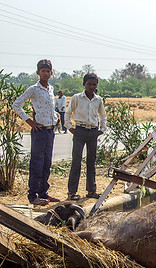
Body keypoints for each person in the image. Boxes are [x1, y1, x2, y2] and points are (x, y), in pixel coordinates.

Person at [12, 59, 61, 206]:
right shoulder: (34, 89)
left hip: (50, 131)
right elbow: (16, 105)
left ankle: (43, 193)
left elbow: (48, 108)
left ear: (51, 73)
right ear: (38, 72)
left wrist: (56, 117)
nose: (46, 73)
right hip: (39, 132)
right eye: (43, 71)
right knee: (37, 163)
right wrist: (29, 121)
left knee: (47, 163)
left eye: (48, 71)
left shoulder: (50, 89)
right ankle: (32, 196)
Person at [65, 73, 107, 200]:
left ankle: (91, 190)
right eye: (89, 84)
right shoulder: (77, 98)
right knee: (76, 161)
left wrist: (102, 129)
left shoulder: (98, 99)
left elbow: (103, 115)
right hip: (80, 131)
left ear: (96, 85)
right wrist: (71, 128)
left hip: (93, 132)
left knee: (91, 162)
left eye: (94, 84)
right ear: (84, 84)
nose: (91, 86)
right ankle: (72, 192)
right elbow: (68, 114)